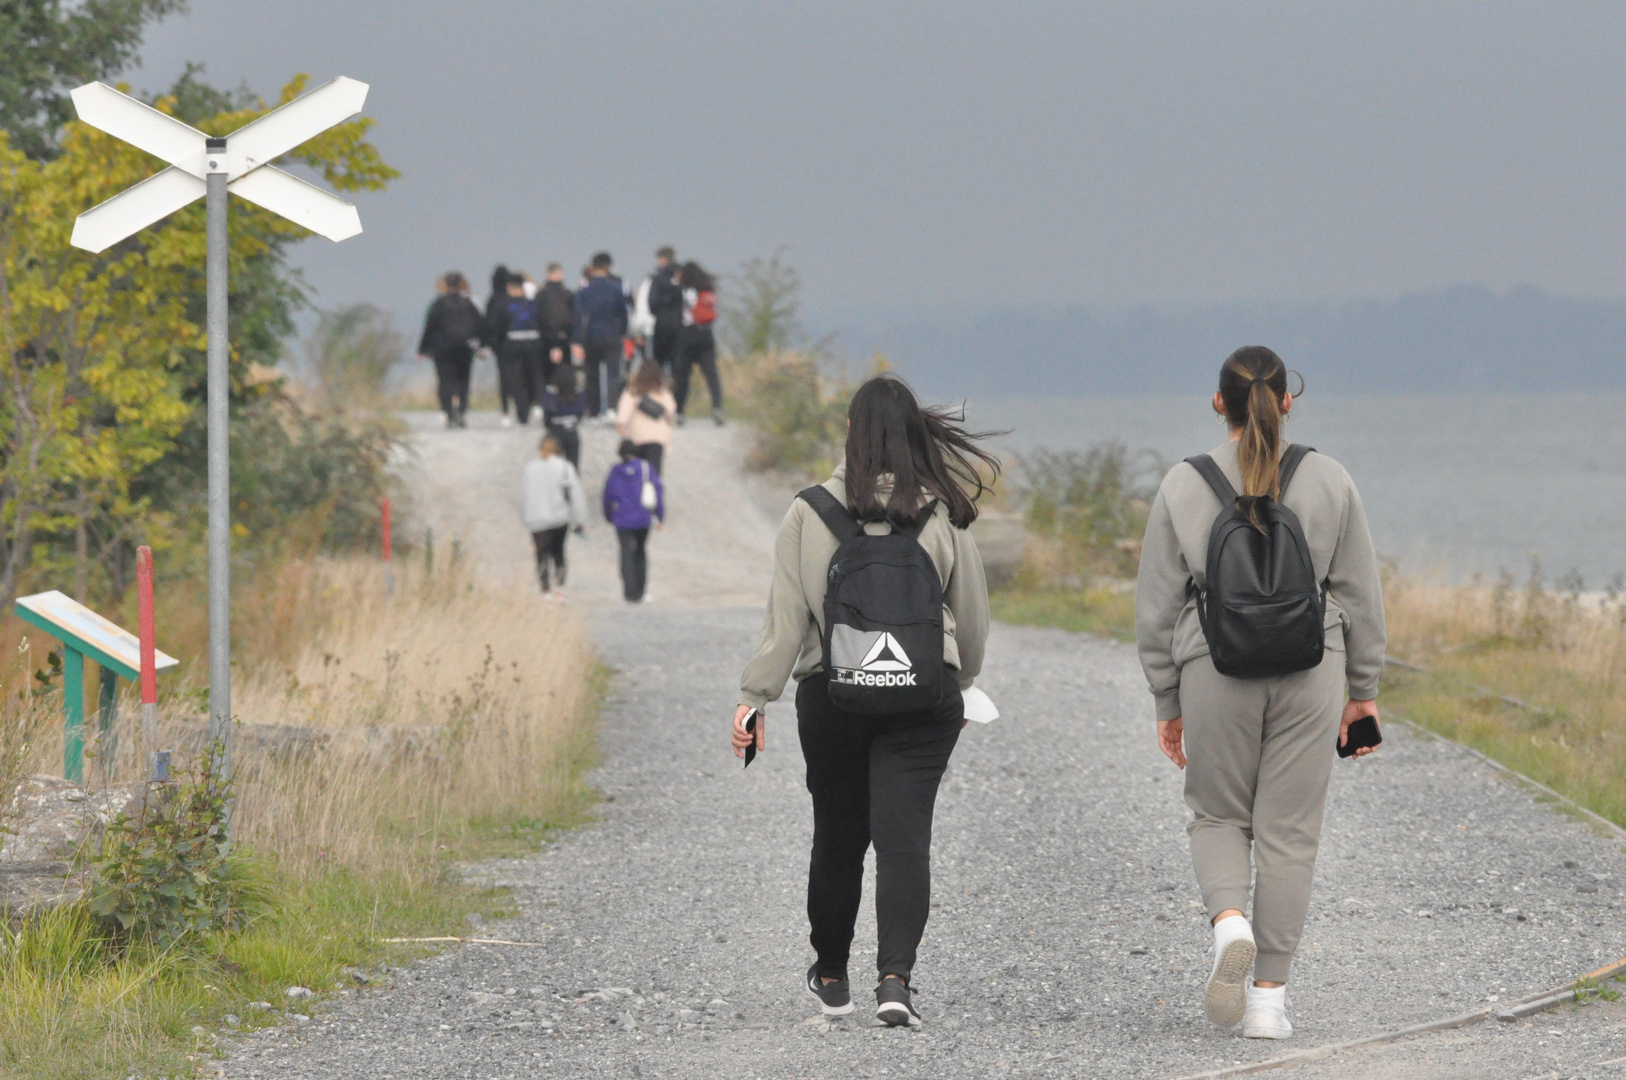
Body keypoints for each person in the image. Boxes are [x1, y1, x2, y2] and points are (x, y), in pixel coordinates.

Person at [1134, 346, 1385, 1041]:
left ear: (1220, 404)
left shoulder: (1184, 485)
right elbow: (1360, 593)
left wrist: (1166, 700)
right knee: (1289, 834)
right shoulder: (1329, 479)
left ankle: (1229, 923)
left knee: (1216, 815)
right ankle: (1268, 1003)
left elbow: (1157, 605)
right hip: (1314, 667)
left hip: (1213, 665)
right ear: (1287, 402)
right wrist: (1360, 690)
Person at [732, 375, 996, 1028]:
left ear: (850, 432)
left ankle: (830, 975)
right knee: (905, 840)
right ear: (914, 435)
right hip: (924, 696)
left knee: (839, 836)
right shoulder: (943, 511)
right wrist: (960, 683)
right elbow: (973, 617)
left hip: (832, 696)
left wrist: (753, 698)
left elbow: (786, 623)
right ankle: (895, 982)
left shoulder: (808, 511)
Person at [521, 433, 586, 599]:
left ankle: (544, 590)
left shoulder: (530, 468)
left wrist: (525, 516)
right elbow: (575, 495)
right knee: (558, 553)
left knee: (541, 555)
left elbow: (524, 495)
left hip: (536, 518)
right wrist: (579, 519)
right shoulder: (565, 467)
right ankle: (560, 588)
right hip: (559, 517)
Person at [416, 271, 481, 427]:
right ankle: (462, 411)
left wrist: (423, 349)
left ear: (445, 285)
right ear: (460, 284)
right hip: (465, 347)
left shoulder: (438, 304)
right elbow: (480, 325)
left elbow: (429, 328)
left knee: (445, 381)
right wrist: (481, 345)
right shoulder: (468, 303)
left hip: (443, 348)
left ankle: (448, 412)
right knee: (463, 380)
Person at [603, 438, 664, 603]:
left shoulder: (615, 471)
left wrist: (608, 515)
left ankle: (628, 592)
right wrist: (659, 515)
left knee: (625, 552)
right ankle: (641, 591)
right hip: (643, 518)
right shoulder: (646, 468)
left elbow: (608, 496)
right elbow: (657, 491)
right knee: (640, 551)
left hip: (621, 519)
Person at [572, 252, 629, 419]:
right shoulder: (616, 290)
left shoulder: (584, 291)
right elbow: (623, 314)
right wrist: (623, 331)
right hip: (612, 335)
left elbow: (578, 316)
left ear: (592, 268)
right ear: (607, 268)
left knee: (592, 375)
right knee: (613, 373)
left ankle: (594, 410)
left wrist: (576, 340)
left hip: (592, 336)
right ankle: (612, 407)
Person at [488, 272, 545, 425]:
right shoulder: (533, 304)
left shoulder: (504, 306)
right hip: (534, 344)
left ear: (509, 287)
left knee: (517, 380)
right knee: (534, 376)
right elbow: (544, 324)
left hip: (512, 345)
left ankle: (522, 414)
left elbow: (497, 329)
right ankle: (538, 403)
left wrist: (496, 347)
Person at [674, 261, 723, 426]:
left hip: (686, 335)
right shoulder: (707, 289)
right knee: (711, 375)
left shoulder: (681, 291)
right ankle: (717, 407)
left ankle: (679, 411)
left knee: (682, 376)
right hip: (706, 335)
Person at [615, 361, 677, 475]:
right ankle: (653, 491)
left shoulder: (632, 391)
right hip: (658, 439)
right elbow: (671, 413)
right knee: (654, 473)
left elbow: (622, 418)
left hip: (637, 439)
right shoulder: (663, 391)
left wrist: (624, 435)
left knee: (638, 472)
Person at [541, 357, 585, 469]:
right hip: (571, 429)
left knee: (551, 464)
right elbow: (580, 412)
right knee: (573, 464)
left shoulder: (551, 393)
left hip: (555, 429)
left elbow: (547, 411)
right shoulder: (578, 393)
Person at [483, 264, 514, 424]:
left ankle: (505, 410)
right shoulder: (512, 299)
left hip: (499, 345)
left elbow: (487, 323)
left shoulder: (492, 299)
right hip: (514, 341)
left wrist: (488, 343)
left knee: (503, 377)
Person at [646, 246, 683, 374]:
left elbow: (652, 304)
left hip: (662, 326)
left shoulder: (658, 278)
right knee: (678, 366)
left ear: (662, 259)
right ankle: (677, 393)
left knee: (658, 366)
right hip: (681, 326)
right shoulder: (684, 275)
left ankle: (659, 393)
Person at [538, 263, 574, 380]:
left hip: (545, 339)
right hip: (566, 338)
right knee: (566, 372)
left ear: (547, 275)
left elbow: (540, 318)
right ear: (561, 275)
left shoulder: (541, 295)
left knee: (548, 375)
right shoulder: (568, 294)